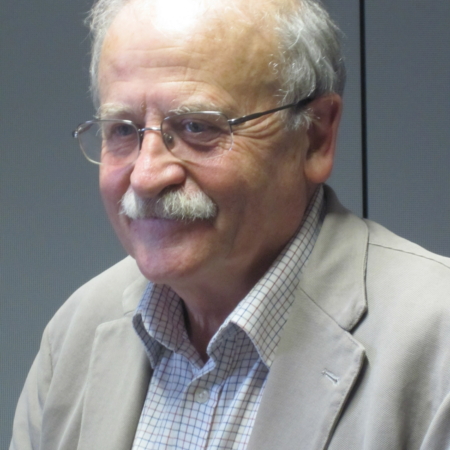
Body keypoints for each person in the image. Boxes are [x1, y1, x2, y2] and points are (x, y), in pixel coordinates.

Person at [10, 0, 450, 448]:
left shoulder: (438, 348)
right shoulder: (75, 332)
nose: (145, 177)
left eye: (197, 127)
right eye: (123, 130)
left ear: (315, 136)